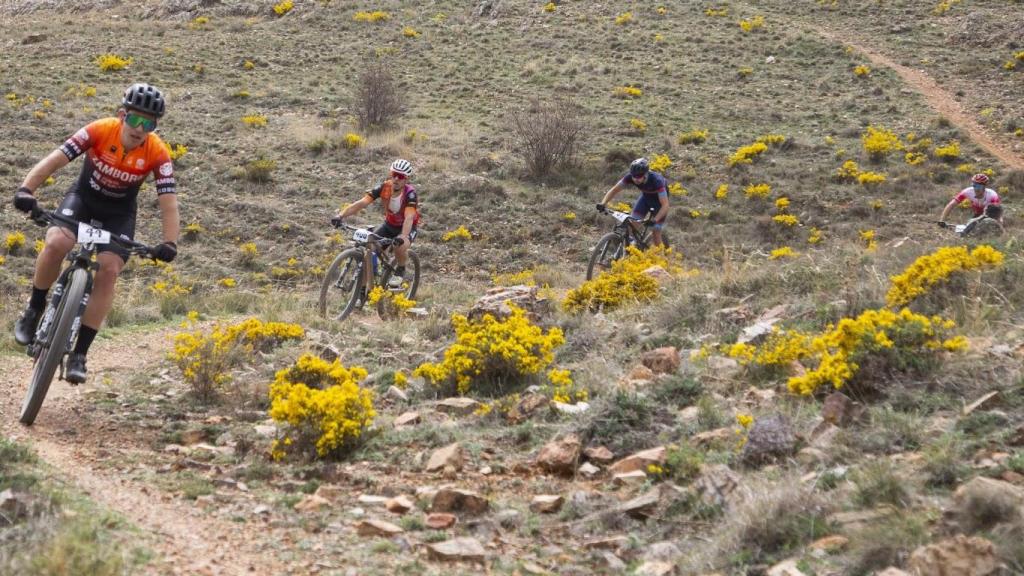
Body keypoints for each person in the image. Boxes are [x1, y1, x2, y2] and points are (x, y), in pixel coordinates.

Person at [11, 83, 180, 383]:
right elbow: (55, 160)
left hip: (119, 214)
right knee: (56, 243)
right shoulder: (99, 130)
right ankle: (33, 309)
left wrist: (169, 242)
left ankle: (80, 354)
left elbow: (168, 204)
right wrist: (27, 189)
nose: (140, 128)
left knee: (109, 270)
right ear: (121, 115)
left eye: (149, 123)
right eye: (135, 119)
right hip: (83, 200)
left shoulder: (158, 153)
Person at [332, 159, 419, 289]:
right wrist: (341, 215)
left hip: (407, 227)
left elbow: (409, 217)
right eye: (393, 174)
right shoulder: (384, 187)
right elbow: (362, 203)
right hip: (389, 225)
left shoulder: (410, 194)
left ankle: (401, 269)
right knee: (369, 253)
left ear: (406, 179)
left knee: (399, 247)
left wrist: (403, 236)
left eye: (400, 176)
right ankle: (361, 293)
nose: (396, 178)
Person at [596, 157, 669, 246]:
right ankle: (632, 248)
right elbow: (615, 189)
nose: (635, 179)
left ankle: (661, 258)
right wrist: (603, 203)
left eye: (639, 176)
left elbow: (665, 205)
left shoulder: (657, 180)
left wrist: (655, 220)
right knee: (632, 225)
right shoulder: (630, 177)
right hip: (646, 198)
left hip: (659, 203)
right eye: (634, 176)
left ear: (646, 174)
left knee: (655, 231)